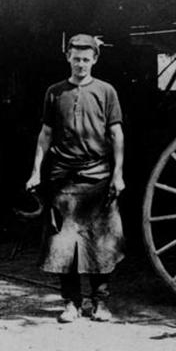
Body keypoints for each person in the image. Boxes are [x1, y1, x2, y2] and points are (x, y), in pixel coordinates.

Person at [27, 34, 126, 323]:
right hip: (63, 178)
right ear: (68, 58)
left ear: (95, 59)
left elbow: (116, 134)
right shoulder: (55, 92)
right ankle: (71, 303)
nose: (80, 64)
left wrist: (118, 174)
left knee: (101, 243)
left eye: (86, 59)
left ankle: (100, 303)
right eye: (76, 58)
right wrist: (36, 171)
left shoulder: (106, 92)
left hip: (98, 176)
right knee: (64, 244)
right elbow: (45, 134)